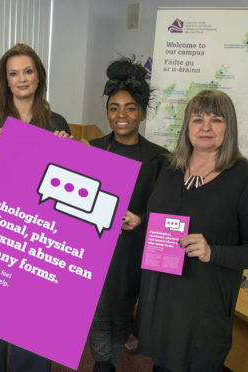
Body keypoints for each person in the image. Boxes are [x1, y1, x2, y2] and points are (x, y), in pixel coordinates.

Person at [134, 90, 248, 371]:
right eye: (198, 119)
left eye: (216, 120)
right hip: (161, 298)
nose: (206, 128)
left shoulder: (245, 180)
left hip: (203, 306)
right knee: (161, 366)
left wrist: (214, 252)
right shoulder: (169, 167)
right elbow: (160, 217)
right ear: (187, 126)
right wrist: (140, 220)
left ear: (229, 127)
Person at [0, 43, 70, 372]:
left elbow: (66, 191)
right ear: (5, 80)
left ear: (39, 76)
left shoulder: (56, 121)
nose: (22, 78)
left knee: (34, 323)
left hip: (40, 236)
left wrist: (67, 155)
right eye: (14, 73)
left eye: (28, 71)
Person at [87, 57, 167, 372]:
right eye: (114, 108)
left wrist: (142, 219)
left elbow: (164, 211)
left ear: (143, 113)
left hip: (131, 251)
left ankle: (112, 358)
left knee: (122, 312)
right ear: (107, 113)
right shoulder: (93, 148)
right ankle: (101, 362)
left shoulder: (160, 159)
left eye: (130, 108)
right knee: (95, 310)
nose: (121, 115)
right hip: (94, 246)